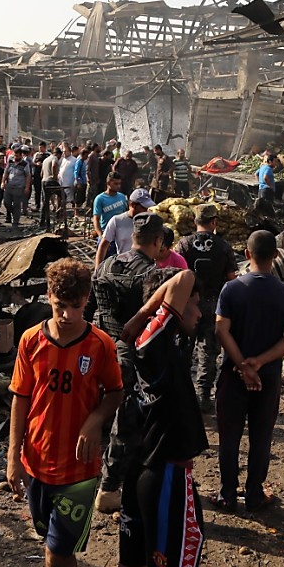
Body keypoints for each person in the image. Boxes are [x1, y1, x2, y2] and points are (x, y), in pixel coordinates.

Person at [6, 258, 124, 567]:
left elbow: (116, 392)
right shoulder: (31, 340)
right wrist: (13, 456)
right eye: (60, 305)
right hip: (37, 463)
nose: (67, 315)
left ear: (87, 299)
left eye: (75, 305)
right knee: (51, 548)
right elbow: (21, 397)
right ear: (48, 295)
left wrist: (93, 421)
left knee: (59, 555)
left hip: (79, 472)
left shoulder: (101, 345)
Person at [115, 268, 207, 567]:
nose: (200, 312)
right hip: (165, 475)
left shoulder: (155, 346)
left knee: (131, 564)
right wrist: (141, 313)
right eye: (194, 303)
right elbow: (186, 277)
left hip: (142, 468)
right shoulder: (154, 342)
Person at [213, 230, 284, 512]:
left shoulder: (232, 289)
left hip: (232, 375)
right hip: (268, 378)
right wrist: (260, 363)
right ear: (275, 256)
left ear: (247, 254)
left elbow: (221, 330)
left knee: (229, 435)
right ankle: (254, 493)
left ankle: (227, 493)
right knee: (261, 436)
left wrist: (242, 365)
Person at [90, 212, 165, 514]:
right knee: (126, 419)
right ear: (158, 241)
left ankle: (87, 475)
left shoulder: (105, 265)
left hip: (95, 348)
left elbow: (91, 309)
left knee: (95, 415)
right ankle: (109, 488)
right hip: (129, 355)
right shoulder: (152, 274)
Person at [175, 203, 238, 411]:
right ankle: (203, 396)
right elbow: (231, 279)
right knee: (209, 351)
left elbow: (175, 275)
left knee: (183, 348)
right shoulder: (224, 247)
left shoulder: (183, 245)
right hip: (213, 304)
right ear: (214, 222)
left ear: (195, 222)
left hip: (187, 304)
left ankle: (181, 394)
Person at [95, 188, 154, 267]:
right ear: (133, 205)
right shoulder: (117, 221)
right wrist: (97, 270)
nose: (147, 210)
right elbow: (103, 246)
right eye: (143, 207)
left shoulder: (150, 221)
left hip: (143, 267)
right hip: (124, 267)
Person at [92, 172, 127, 241]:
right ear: (108, 183)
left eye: (119, 184)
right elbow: (96, 219)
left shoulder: (122, 197)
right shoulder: (100, 199)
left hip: (120, 234)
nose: (118, 186)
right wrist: (100, 235)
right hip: (106, 234)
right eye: (116, 184)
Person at [1, 152, 30, 228]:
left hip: (19, 187)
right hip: (9, 186)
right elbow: (6, 172)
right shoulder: (10, 162)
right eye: (15, 155)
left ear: (21, 155)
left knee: (17, 204)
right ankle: (15, 214)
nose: (15, 157)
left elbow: (28, 176)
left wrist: (27, 187)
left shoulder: (25, 164)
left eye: (17, 155)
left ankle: (15, 222)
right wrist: (3, 182)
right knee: (6, 202)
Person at [40, 147, 63, 231]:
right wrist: (54, 177)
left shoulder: (46, 159)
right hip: (51, 181)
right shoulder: (55, 158)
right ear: (58, 154)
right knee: (64, 195)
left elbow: (41, 173)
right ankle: (58, 215)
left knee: (45, 202)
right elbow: (54, 165)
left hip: (44, 181)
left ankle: (42, 222)